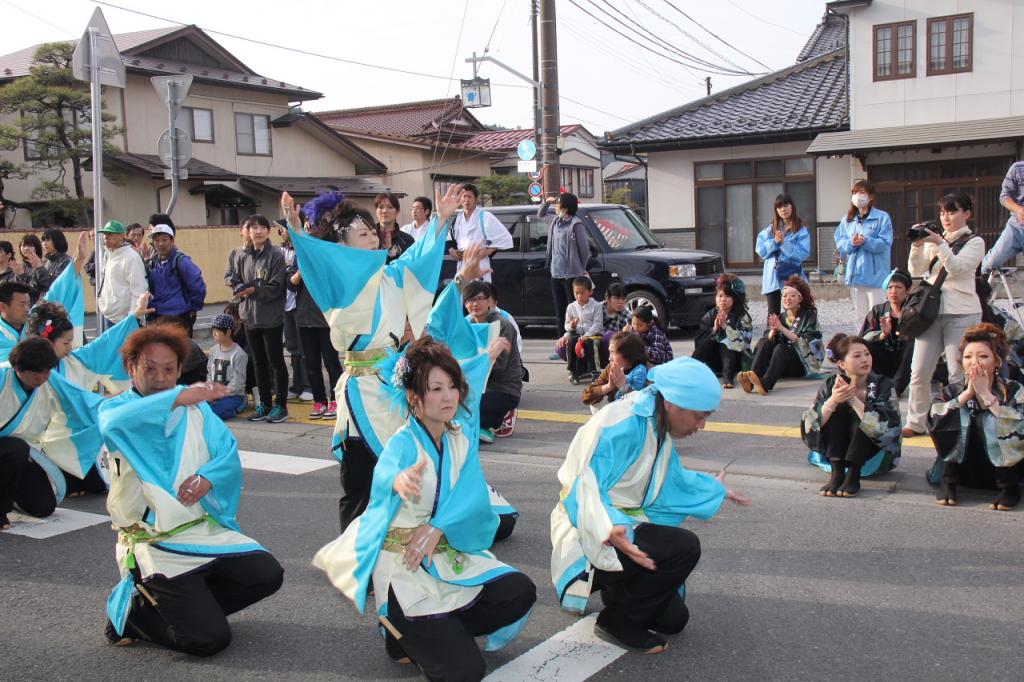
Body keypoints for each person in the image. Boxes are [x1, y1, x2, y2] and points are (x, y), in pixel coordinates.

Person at [312, 335, 535, 680]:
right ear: (414, 397)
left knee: (518, 591)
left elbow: (471, 492)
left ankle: (439, 631)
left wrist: (439, 526)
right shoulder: (402, 442)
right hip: (408, 565)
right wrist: (398, 481)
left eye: (452, 387)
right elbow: (385, 475)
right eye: (436, 389)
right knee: (465, 672)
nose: (448, 396)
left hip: (446, 553)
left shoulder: (458, 437)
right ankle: (400, 625)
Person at [282, 185, 463, 531]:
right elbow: (316, 259)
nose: (372, 238)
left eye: (372, 232)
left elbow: (420, 257)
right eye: (362, 234)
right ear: (341, 246)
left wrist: (441, 220)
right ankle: (355, 550)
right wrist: (295, 228)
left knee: (402, 474)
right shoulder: (338, 282)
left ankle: (394, 543)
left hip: (391, 385)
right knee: (360, 481)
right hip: (361, 390)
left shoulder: (391, 275)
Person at [99, 323, 284, 655]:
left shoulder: (196, 410)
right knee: (209, 640)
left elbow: (226, 452)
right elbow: (112, 424)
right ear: (130, 367)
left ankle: (187, 608)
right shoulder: (117, 410)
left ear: (179, 369)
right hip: (154, 543)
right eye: (150, 368)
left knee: (266, 573)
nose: (160, 378)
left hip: (199, 529)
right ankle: (133, 617)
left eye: (169, 370)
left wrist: (208, 477)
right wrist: (177, 397)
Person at [550, 357, 751, 652]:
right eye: (699, 416)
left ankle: (617, 589)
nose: (702, 425)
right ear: (672, 403)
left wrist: (714, 489)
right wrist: (611, 525)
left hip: (623, 530)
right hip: (591, 531)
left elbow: (670, 478)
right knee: (684, 547)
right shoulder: (623, 424)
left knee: (674, 620)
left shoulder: (653, 420)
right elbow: (583, 487)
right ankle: (615, 621)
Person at [903, 193, 985, 437]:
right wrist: (918, 245)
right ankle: (916, 422)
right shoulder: (935, 239)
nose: (945, 217)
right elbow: (916, 269)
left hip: (962, 311)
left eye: (952, 211)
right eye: (942, 212)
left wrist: (939, 242)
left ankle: (960, 423)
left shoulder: (975, 241)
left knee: (958, 373)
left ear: (967, 213)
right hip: (929, 312)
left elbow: (956, 268)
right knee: (919, 371)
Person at [0, 338, 105, 528]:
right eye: (35, 374)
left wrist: (117, 407)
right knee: (15, 448)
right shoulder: (2, 376)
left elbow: (82, 402)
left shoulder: (50, 379)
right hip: (10, 450)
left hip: (21, 455)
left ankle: (10, 493)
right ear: (17, 369)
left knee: (43, 507)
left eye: (46, 372)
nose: (41, 379)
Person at [927, 323, 1024, 510]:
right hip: (963, 466)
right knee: (955, 416)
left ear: (997, 361)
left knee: (990, 421)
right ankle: (948, 483)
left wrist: (987, 397)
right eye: (968, 356)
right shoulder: (952, 390)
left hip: (1005, 468)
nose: (974, 362)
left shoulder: (1014, 390)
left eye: (983, 356)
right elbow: (934, 419)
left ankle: (1009, 488)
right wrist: (966, 395)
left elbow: (1020, 427)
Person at [801, 334, 902, 497]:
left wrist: (854, 400)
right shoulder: (831, 384)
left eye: (867, 354)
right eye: (857, 356)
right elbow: (810, 425)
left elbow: (887, 427)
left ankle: (854, 474)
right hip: (835, 454)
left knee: (864, 411)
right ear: (842, 364)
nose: (865, 359)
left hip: (871, 457)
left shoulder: (881, 384)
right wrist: (832, 401)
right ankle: (837, 472)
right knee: (838, 406)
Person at [225, 214, 289, 424]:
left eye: (263, 227)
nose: (258, 231)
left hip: (271, 317)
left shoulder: (276, 254)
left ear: (268, 231)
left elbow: (277, 287)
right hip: (248, 317)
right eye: (254, 227)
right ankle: (265, 403)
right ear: (248, 231)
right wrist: (239, 288)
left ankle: (281, 405)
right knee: (258, 362)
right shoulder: (242, 254)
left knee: (276, 362)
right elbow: (231, 277)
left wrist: (254, 290)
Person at [286, 219, 340, 419]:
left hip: (325, 319)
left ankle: (336, 400)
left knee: (331, 362)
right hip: (304, 318)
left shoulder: (329, 255)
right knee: (311, 364)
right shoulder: (299, 256)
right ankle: (319, 401)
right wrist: (301, 272)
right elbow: (290, 285)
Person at [738, 275, 823, 395]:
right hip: (781, 364)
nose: (787, 298)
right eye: (784, 295)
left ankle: (766, 384)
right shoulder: (782, 317)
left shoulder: (809, 316)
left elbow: (804, 342)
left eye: (792, 295)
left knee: (781, 349)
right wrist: (773, 331)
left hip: (802, 364)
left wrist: (781, 328)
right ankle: (751, 379)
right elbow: (769, 340)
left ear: (800, 298)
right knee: (765, 342)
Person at [463, 280, 523, 444]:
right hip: (476, 385)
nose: (475, 304)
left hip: (502, 388)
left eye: (479, 299)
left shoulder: (501, 325)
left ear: (489, 301)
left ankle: (500, 415)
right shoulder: (466, 326)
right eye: (470, 300)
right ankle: (494, 420)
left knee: (462, 409)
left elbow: (499, 366)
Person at [834, 180, 894, 323]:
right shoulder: (848, 219)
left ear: (871, 197)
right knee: (860, 317)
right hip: (856, 275)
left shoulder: (882, 217)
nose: (857, 196)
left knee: (878, 315)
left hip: (876, 276)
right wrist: (851, 243)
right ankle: (862, 338)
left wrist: (866, 241)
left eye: (861, 192)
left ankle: (879, 337)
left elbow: (885, 243)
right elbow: (839, 242)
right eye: (854, 193)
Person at [540, 192, 590, 336]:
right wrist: (546, 202)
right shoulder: (554, 221)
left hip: (572, 275)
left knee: (573, 310)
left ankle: (574, 341)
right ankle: (561, 342)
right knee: (560, 311)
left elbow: (585, 250)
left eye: (558, 203)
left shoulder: (576, 224)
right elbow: (541, 215)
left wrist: (581, 268)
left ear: (565, 208)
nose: (555, 206)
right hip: (555, 273)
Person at [860, 268, 916, 397]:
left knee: (912, 346)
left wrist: (907, 335)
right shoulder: (878, 311)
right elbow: (863, 338)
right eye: (890, 287)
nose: (893, 291)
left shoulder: (913, 311)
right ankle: (871, 383)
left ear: (908, 290)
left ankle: (896, 388)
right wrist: (882, 335)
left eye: (898, 287)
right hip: (884, 359)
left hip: (906, 362)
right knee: (862, 346)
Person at [754, 194, 811, 318]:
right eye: (779, 207)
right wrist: (774, 242)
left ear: (792, 207)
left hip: (791, 275)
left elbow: (802, 253)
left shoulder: (801, 229)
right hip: (772, 276)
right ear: (776, 210)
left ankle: (795, 331)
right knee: (773, 314)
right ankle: (773, 331)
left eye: (786, 206)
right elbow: (760, 250)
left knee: (794, 312)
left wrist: (784, 244)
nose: (783, 209)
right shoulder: (771, 228)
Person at [691, 274, 753, 388]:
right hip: (715, 361)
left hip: (736, 360)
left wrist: (725, 328)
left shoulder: (742, 316)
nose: (723, 299)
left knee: (725, 341)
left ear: (735, 298)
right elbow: (699, 342)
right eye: (720, 296)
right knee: (710, 341)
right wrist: (714, 329)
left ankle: (728, 379)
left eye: (727, 296)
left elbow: (744, 344)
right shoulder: (710, 315)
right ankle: (688, 371)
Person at [145, 223, 206, 336]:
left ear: (172, 241)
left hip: (179, 317)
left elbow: (198, 287)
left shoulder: (182, 261)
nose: (160, 244)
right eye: (157, 240)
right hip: (157, 317)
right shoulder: (152, 264)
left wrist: (193, 308)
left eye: (164, 240)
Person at [448, 183, 513, 283]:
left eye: (470, 197)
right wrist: (452, 250)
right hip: (462, 264)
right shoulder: (458, 218)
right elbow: (449, 240)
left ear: (476, 199)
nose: (466, 200)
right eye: (464, 196)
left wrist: (484, 252)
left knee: (479, 290)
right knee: (462, 291)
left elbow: (504, 238)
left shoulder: (486, 216)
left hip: (479, 263)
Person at [279, 227, 313, 403]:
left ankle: (309, 385)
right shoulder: (280, 251)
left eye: (284, 229)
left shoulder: (302, 249)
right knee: (293, 348)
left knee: (305, 348)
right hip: (285, 305)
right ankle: (297, 385)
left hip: (301, 304)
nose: (282, 233)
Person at [581, 330, 650, 412]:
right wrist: (608, 387)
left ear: (628, 355)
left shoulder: (648, 371)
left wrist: (623, 387)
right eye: (609, 352)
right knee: (595, 401)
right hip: (616, 412)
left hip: (636, 415)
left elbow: (646, 404)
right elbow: (586, 395)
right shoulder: (611, 368)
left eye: (613, 352)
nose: (609, 358)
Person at [96, 220, 149, 326]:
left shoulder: (131, 257)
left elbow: (139, 289)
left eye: (110, 233)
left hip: (124, 319)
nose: (106, 237)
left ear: (122, 236)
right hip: (110, 316)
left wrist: (133, 317)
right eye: (105, 234)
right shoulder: (109, 255)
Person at [557, 275, 604, 383]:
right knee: (571, 341)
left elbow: (597, 325)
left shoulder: (596, 306)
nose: (579, 296)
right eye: (576, 293)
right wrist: (572, 326)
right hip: (577, 334)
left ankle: (595, 372)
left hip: (593, 335)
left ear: (590, 292)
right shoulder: (571, 307)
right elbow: (566, 325)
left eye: (582, 293)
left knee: (590, 342)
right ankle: (573, 371)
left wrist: (586, 335)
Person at [980, 160, 1024, 273]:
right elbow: (1004, 196)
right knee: (992, 262)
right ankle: (980, 277)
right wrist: (1018, 209)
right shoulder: (1017, 167)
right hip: (1015, 227)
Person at [207, 314, 248, 420]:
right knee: (197, 407)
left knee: (212, 413)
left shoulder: (239, 354)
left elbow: (237, 382)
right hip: (215, 393)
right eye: (213, 330)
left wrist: (221, 393)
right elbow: (210, 373)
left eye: (217, 331)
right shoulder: (213, 350)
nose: (214, 334)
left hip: (234, 395)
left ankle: (238, 407)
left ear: (229, 332)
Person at [597, 282, 631, 367]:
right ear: (607, 298)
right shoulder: (597, 308)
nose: (620, 302)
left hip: (611, 350)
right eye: (616, 298)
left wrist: (625, 333)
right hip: (592, 343)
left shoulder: (626, 314)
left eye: (623, 299)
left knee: (611, 335)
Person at [375, 192, 415, 262]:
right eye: (381, 207)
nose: (384, 211)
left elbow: (409, 265)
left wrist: (390, 251)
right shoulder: (368, 237)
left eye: (390, 207)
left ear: (397, 212)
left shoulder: (407, 240)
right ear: (376, 211)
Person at [0, 281, 31, 361]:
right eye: (22, 305)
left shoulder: (35, 327)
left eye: (28, 304)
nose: (27, 309)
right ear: (2, 307)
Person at [16, 234, 51, 302]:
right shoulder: (20, 266)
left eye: (30, 245)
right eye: (23, 245)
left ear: (37, 247)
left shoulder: (45, 264)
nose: (26, 248)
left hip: (39, 304)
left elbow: (41, 287)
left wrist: (22, 276)